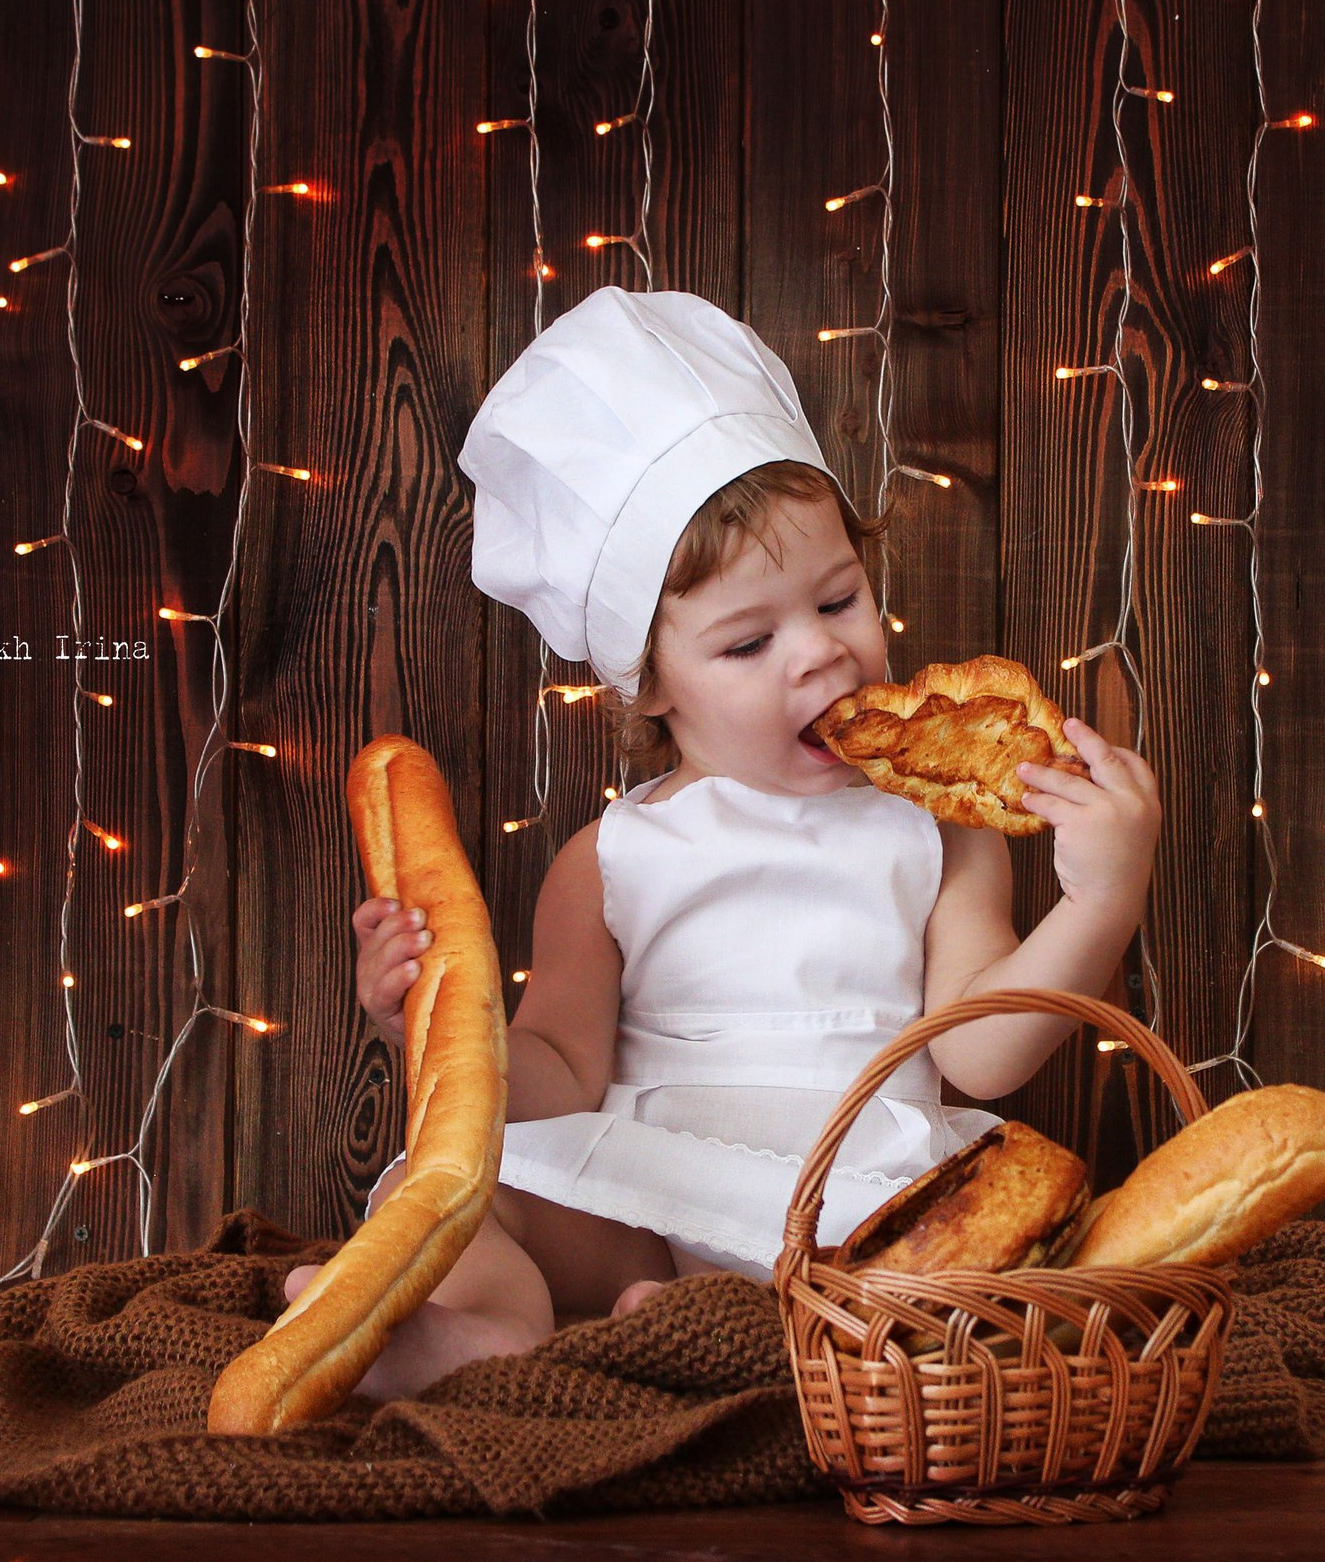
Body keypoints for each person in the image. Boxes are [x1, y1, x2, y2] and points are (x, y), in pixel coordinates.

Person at [295, 286, 1161, 1402]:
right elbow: (556, 1071)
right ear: (649, 684)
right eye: (749, 643)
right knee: (448, 1182)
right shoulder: (609, 859)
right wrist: (426, 1022)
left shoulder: (936, 829)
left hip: (856, 1207)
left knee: (967, 1275)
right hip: (652, 1199)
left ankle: (724, 1337)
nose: (820, 656)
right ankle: (487, 1331)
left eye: (839, 601)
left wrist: (1101, 898)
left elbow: (983, 1056)